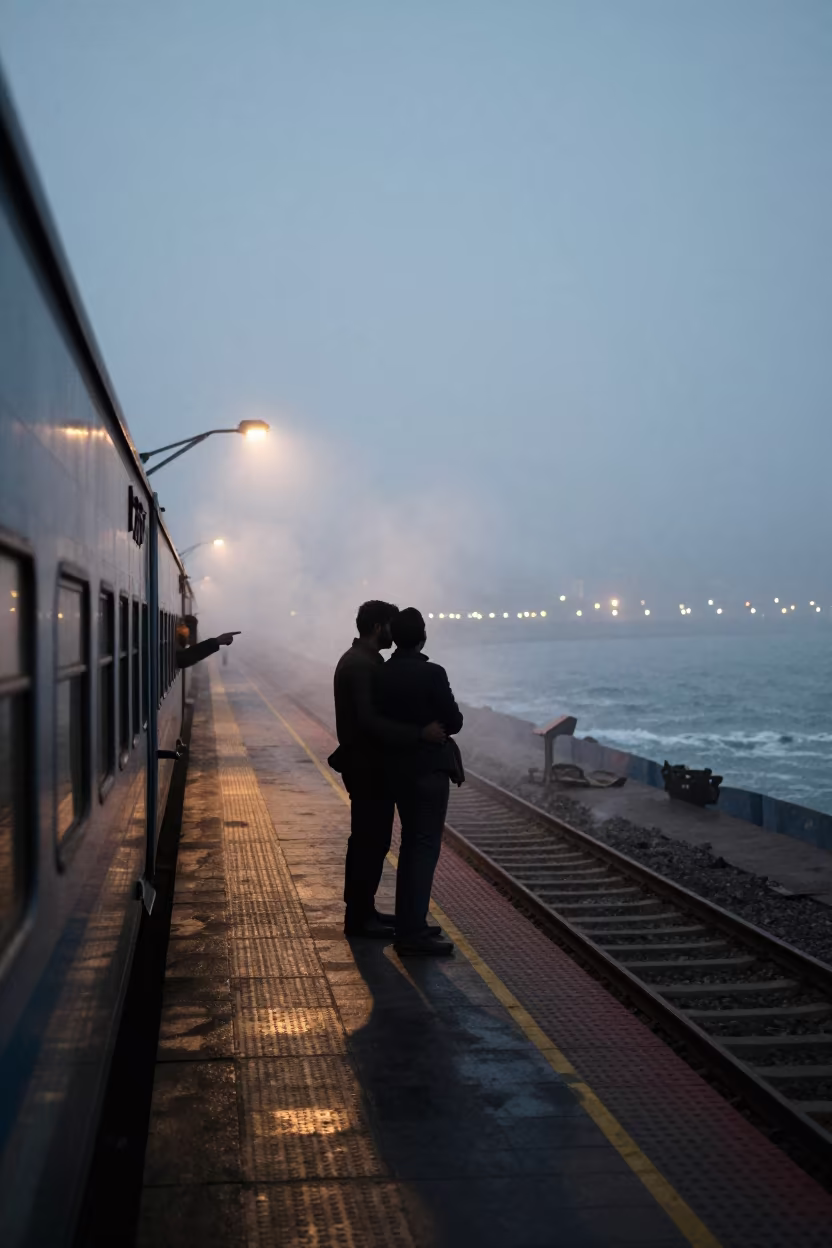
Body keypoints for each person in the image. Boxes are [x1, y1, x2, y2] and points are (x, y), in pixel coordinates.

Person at [331, 601, 446, 938]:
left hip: (367, 764)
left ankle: (364, 911)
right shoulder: (361, 666)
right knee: (368, 841)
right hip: (366, 766)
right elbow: (368, 721)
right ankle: (359, 918)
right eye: (391, 627)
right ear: (380, 627)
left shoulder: (361, 661)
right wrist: (419, 733)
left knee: (372, 840)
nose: (395, 635)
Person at [376, 607, 463, 956]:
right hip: (428, 772)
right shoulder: (433, 673)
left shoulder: (382, 673)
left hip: (395, 771)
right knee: (423, 848)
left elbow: (378, 720)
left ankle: (411, 923)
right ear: (423, 635)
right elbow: (454, 721)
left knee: (410, 847)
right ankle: (412, 933)